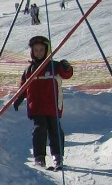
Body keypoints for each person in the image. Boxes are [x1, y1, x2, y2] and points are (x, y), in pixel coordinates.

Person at [14, 35, 73, 169]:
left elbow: (66, 74)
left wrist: (66, 67)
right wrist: (18, 99)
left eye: (41, 50)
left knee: (55, 130)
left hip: (52, 106)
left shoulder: (54, 66)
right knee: (39, 130)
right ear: (32, 52)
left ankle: (57, 156)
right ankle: (39, 157)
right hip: (37, 107)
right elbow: (23, 87)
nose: (39, 53)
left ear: (47, 50)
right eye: (36, 50)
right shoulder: (29, 70)